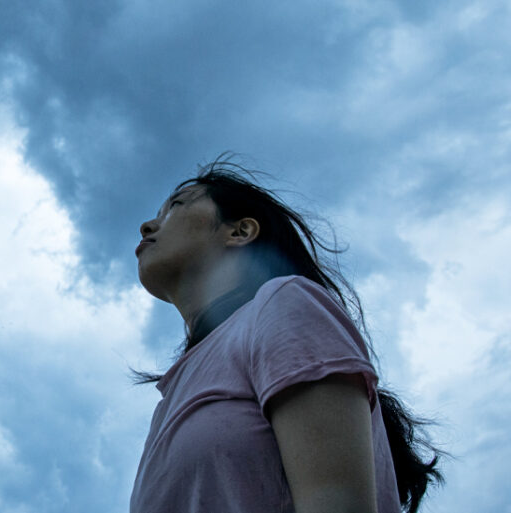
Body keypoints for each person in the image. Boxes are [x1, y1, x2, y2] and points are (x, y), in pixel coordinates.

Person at [129, 158, 444, 513]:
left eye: (176, 206)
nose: (148, 225)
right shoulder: (169, 396)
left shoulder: (283, 304)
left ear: (240, 232)